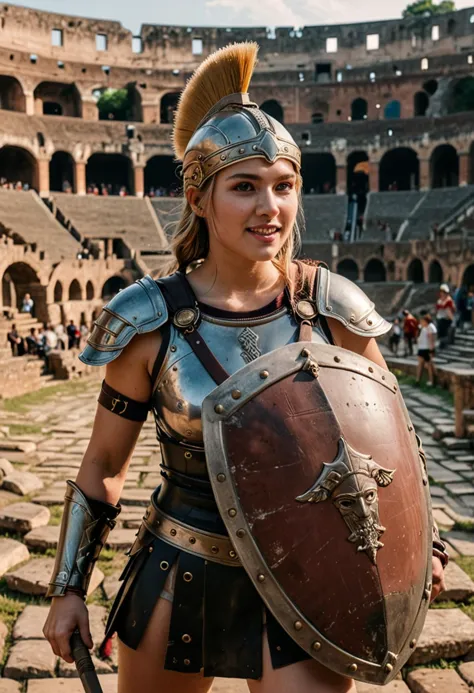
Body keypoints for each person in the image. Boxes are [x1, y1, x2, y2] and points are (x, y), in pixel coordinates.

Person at [43, 43, 447, 693]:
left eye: (283, 185)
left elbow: (394, 441)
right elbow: (103, 469)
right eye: (245, 186)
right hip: (183, 565)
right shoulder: (148, 319)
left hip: (312, 567)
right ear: (200, 198)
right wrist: (67, 588)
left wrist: (419, 540)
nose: (270, 208)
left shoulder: (333, 306)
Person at [416, 314, 437, 387]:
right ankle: (418, 380)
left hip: (427, 349)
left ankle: (431, 381)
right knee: (421, 365)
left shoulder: (431, 327)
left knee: (429, 365)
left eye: (422, 321)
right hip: (422, 348)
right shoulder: (423, 328)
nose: (421, 323)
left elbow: (432, 340)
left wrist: (431, 351)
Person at [435, 284, 455, 349]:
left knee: (444, 332)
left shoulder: (448, 300)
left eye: (443, 292)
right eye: (441, 292)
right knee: (440, 332)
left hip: (446, 319)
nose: (442, 293)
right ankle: (441, 344)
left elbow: (449, 310)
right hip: (440, 318)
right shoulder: (440, 300)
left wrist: (452, 319)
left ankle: (444, 344)